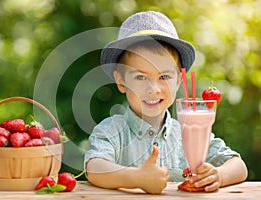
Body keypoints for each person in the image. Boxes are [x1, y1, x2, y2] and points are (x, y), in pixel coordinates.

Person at [84, 11, 248, 194]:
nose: (153, 88)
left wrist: (218, 175)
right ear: (121, 81)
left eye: (164, 76)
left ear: (178, 80)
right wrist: (137, 177)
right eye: (140, 76)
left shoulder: (190, 132)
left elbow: (238, 166)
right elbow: (95, 168)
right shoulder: (112, 131)